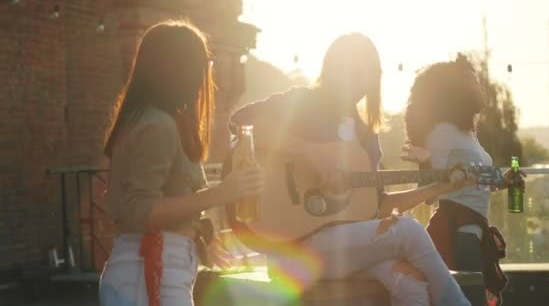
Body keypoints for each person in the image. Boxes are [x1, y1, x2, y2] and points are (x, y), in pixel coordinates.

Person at [229, 33, 472, 306]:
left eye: (367, 77)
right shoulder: (302, 102)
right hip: (293, 249)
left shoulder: (364, 135)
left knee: (411, 285)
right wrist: (310, 153)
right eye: (352, 73)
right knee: (410, 231)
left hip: (343, 250)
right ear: (331, 68)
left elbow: (376, 206)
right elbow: (241, 122)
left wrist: (438, 187)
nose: (359, 83)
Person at [98, 20, 264, 306]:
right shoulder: (158, 125)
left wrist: (201, 235)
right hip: (149, 271)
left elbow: (165, 201)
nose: (204, 78)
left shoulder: (150, 119)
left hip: (150, 269)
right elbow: (141, 210)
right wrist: (220, 193)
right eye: (202, 66)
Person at [403, 54, 515, 304]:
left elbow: (472, 175)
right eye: (470, 79)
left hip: (473, 231)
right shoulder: (442, 133)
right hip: (459, 233)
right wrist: (427, 161)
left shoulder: (466, 131)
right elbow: (434, 189)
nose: (478, 84)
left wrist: (501, 180)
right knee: (470, 299)